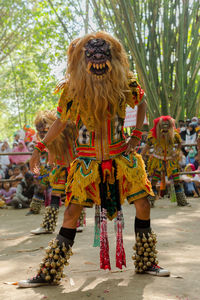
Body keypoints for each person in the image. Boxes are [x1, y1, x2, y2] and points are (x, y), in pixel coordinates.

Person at [18, 32, 169, 288]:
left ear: (113, 59)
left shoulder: (126, 83)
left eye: (104, 58)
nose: (98, 64)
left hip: (121, 158)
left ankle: (146, 261)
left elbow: (141, 102)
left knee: (143, 205)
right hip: (86, 163)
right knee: (70, 213)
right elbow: (61, 122)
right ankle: (49, 272)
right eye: (91, 58)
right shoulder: (72, 90)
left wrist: (136, 134)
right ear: (82, 62)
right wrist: (39, 147)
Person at [142, 116, 190, 207]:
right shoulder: (153, 135)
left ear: (170, 126)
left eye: (167, 125)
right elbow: (147, 146)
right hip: (158, 160)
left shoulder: (174, 134)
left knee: (176, 180)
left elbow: (180, 143)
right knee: (154, 180)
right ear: (159, 126)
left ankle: (182, 201)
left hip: (171, 161)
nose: (165, 127)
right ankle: (150, 202)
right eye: (163, 125)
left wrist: (177, 152)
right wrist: (141, 155)